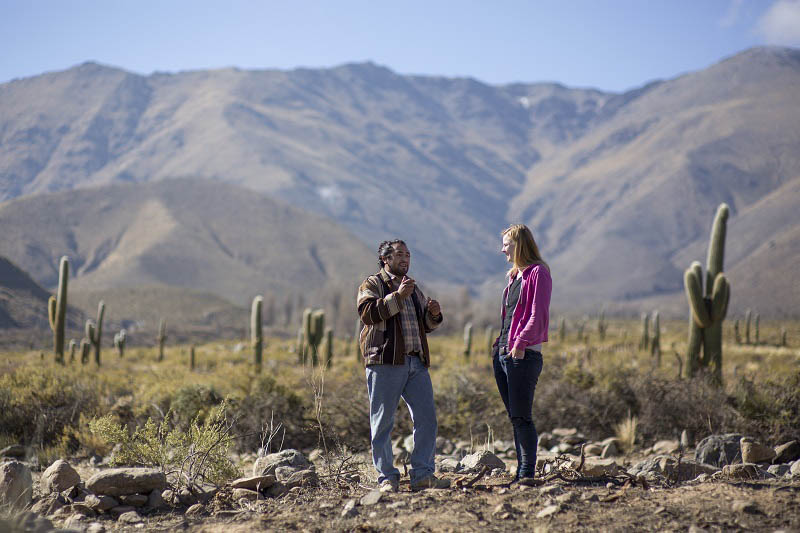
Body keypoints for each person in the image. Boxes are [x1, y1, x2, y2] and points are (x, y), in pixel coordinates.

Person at [356, 239, 450, 492]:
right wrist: (397, 297)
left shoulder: (413, 289)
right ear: (386, 259)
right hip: (385, 361)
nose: (405, 259)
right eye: (399, 255)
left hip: (416, 363)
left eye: (408, 255)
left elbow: (425, 327)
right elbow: (368, 313)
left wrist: (433, 315)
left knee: (427, 419)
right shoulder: (373, 284)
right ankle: (387, 477)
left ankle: (422, 475)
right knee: (383, 421)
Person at [493, 224, 552, 485]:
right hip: (503, 354)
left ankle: (527, 473)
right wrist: (499, 345)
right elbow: (511, 316)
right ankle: (520, 472)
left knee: (522, 416)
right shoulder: (515, 276)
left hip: (523, 355)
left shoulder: (539, 272)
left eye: (506, 244)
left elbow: (537, 314)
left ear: (519, 244)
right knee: (515, 417)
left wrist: (520, 343)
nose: (502, 249)